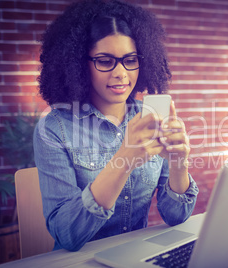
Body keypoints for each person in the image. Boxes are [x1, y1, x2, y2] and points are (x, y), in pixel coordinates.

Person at [33, 0, 198, 252]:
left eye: (130, 59)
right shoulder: (54, 129)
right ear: (79, 64)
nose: (121, 73)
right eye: (105, 60)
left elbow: (176, 216)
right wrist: (124, 159)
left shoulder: (150, 118)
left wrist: (179, 163)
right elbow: (67, 234)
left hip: (135, 256)